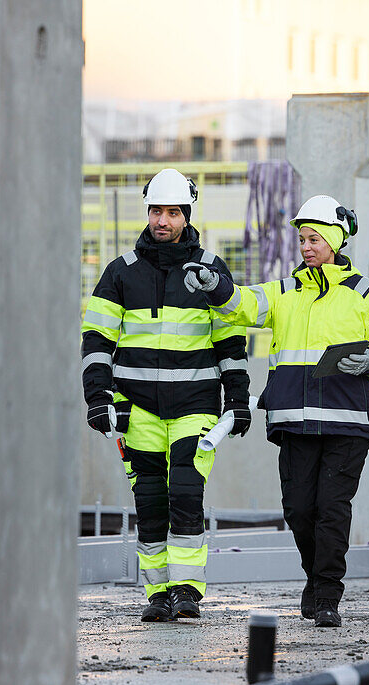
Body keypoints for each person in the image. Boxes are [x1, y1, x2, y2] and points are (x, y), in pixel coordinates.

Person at [182, 194, 369, 628]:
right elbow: (241, 304)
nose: (305, 246)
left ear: (336, 240)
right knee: (300, 511)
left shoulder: (365, 293)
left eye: (314, 238)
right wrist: (214, 285)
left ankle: (327, 596)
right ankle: (315, 580)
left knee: (332, 510)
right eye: (302, 239)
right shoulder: (285, 292)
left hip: (347, 425)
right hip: (294, 423)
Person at [81, 168, 251, 622]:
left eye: (172, 212)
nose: (162, 220)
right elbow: (96, 339)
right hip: (138, 412)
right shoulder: (120, 273)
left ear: (186, 215)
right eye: (156, 211)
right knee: (150, 503)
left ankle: (188, 591)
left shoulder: (211, 272)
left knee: (186, 494)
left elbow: (231, 344)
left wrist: (237, 400)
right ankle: (158, 592)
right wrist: (98, 398)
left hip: (196, 408)